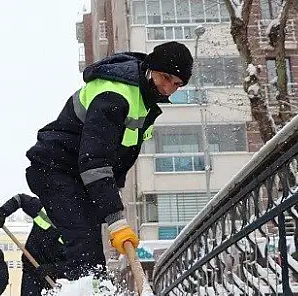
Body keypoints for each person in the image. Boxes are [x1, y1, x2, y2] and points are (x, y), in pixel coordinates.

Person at [24, 42, 193, 281]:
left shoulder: (143, 99)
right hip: (56, 169)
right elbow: (95, 160)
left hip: (78, 176)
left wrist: (114, 203)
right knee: (85, 247)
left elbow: (118, 161)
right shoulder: (116, 95)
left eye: (177, 84)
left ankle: (75, 294)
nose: (167, 88)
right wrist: (116, 219)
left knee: (90, 253)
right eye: (165, 77)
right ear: (150, 68)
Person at [0, 194, 65, 296]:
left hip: (55, 275)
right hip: (31, 268)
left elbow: (75, 262)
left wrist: (52, 268)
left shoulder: (75, 229)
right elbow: (20, 199)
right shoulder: (43, 209)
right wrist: (2, 213)